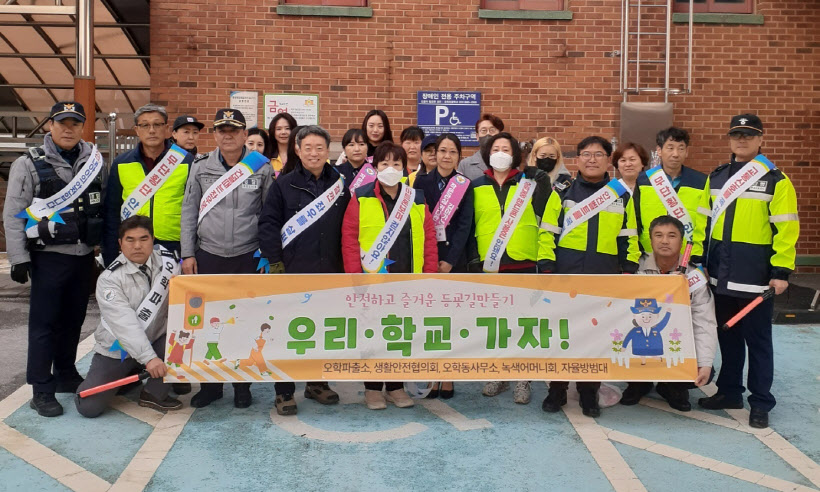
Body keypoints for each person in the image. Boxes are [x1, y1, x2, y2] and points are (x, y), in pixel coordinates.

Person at [697, 114, 799, 429]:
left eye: (748, 135)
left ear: (760, 139)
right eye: (736, 134)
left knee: (758, 342)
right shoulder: (715, 178)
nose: (741, 140)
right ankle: (729, 392)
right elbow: (702, 222)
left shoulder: (777, 180)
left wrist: (781, 271)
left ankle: (760, 402)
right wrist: (698, 260)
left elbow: (786, 230)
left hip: (756, 278)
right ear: (729, 139)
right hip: (719, 275)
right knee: (727, 337)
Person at [3, 101, 104, 417]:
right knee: (44, 325)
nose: (68, 128)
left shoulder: (94, 162)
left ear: (82, 127)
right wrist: (18, 258)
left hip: (82, 257)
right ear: (50, 125)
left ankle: (65, 373)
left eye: (75, 123)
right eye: (62, 122)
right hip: (48, 259)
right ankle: (41, 389)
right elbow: (12, 213)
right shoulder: (29, 164)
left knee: (73, 320)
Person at [539, 136, 641, 417]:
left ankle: (588, 393)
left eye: (598, 154)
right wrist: (547, 266)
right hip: (565, 275)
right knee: (563, 336)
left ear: (609, 159)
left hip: (603, 276)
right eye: (586, 154)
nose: (592, 159)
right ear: (578, 159)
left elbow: (629, 237)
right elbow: (547, 230)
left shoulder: (621, 194)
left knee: (596, 338)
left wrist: (629, 269)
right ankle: (556, 391)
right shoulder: (563, 190)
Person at [180, 108, 274, 409]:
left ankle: (241, 385)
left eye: (234, 130)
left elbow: (268, 215)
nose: (228, 135)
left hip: (247, 256)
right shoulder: (201, 165)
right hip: (209, 255)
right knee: (209, 323)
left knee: (245, 322)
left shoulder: (260, 167)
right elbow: (188, 211)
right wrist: (188, 253)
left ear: (245, 135)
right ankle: (210, 385)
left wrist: (265, 255)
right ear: (215, 134)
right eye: (222, 130)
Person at [258, 125, 350, 415]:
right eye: (307, 147)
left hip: (330, 271)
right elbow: (268, 224)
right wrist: (275, 262)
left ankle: (317, 383)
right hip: (293, 270)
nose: (314, 153)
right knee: (287, 332)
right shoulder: (284, 184)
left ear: (328, 151)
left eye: (319, 147)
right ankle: (284, 390)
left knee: (323, 330)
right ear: (297, 150)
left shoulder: (339, 182)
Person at [341, 142, 437, 409]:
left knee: (398, 333)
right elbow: (349, 239)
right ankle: (372, 388)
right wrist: (355, 277)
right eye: (384, 163)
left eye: (396, 164)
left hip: (408, 278)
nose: (390, 168)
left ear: (405, 168)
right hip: (373, 282)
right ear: (375, 167)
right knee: (372, 334)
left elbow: (429, 239)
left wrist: (429, 276)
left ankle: (395, 386)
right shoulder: (361, 196)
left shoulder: (416, 198)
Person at [467, 132, 550, 405]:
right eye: (496, 148)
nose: (500, 152)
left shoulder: (529, 183)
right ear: (488, 154)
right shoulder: (476, 185)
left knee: (522, 323)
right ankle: (497, 372)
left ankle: (522, 377)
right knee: (495, 324)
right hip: (489, 264)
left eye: (506, 148)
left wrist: (542, 182)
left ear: (515, 155)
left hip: (522, 261)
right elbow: (469, 226)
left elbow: (546, 213)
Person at [75, 216, 183, 417]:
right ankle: (131, 370)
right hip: (119, 346)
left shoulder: (169, 263)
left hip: (155, 338)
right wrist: (149, 359)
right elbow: (125, 325)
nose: (137, 246)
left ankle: (153, 392)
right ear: (120, 243)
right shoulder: (110, 279)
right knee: (88, 407)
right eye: (130, 240)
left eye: (144, 239)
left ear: (153, 240)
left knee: (184, 341)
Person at [619, 216, 717, 411]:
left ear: (681, 241)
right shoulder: (635, 269)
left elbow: (704, 321)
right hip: (642, 338)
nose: (665, 241)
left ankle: (672, 387)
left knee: (703, 369)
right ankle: (638, 384)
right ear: (650, 239)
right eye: (659, 235)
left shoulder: (693, 277)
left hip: (675, 341)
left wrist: (705, 363)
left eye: (672, 236)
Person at [413, 133, 474, 399]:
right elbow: (417, 221)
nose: (447, 156)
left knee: (450, 320)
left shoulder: (465, 184)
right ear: (434, 154)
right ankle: (428, 374)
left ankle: (448, 376)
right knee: (427, 319)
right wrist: (429, 260)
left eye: (452, 152)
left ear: (459, 157)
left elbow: (464, 226)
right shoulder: (419, 182)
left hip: (454, 260)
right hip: (426, 259)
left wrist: (449, 260)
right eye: (442, 151)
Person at [102, 104, 194, 268]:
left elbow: (194, 210)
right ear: (137, 129)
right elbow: (111, 212)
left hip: (174, 245)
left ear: (166, 128)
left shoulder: (186, 161)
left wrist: (190, 252)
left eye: (157, 124)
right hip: (133, 245)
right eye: (145, 125)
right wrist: (110, 254)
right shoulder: (121, 163)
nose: (151, 130)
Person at [633, 127, 709, 264]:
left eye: (681, 148)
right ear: (659, 151)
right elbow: (635, 220)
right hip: (648, 256)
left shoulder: (701, 182)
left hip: (688, 259)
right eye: (670, 148)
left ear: (687, 152)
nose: (675, 154)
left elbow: (705, 223)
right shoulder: (644, 180)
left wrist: (699, 258)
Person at [457, 113, 504, 181]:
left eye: (492, 130)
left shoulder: (508, 162)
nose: (488, 134)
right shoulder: (465, 165)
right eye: (484, 131)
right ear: (477, 136)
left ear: (499, 134)